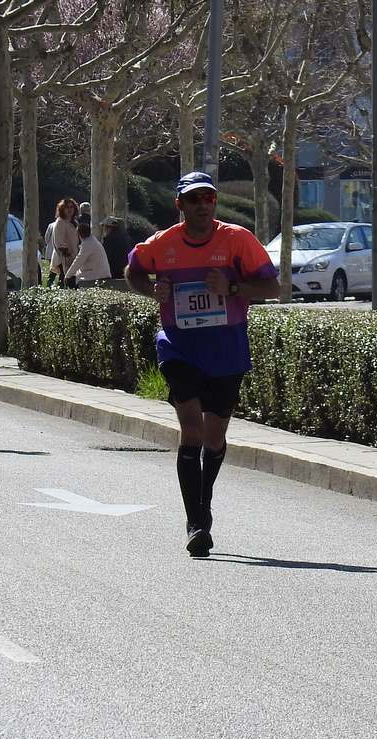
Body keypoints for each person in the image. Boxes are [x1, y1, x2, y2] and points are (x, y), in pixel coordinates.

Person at [125, 171, 281, 557]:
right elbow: (133, 270)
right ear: (180, 205)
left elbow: (272, 287)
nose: (202, 206)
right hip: (179, 346)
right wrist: (151, 289)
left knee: (213, 439)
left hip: (226, 349)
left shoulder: (238, 240)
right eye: (194, 199)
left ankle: (203, 502)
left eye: (208, 199)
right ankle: (196, 523)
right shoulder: (163, 243)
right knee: (191, 430)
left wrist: (231, 288)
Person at [46, 198, 80, 288]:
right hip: (63, 258)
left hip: (74, 256)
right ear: (62, 209)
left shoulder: (74, 222)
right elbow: (59, 242)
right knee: (65, 282)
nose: (69, 209)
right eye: (67, 207)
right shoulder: (60, 222)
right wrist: (66, 253)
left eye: (71, 207)